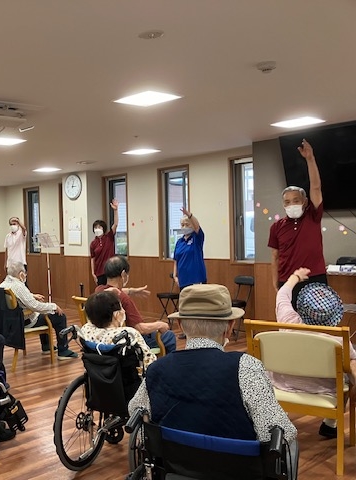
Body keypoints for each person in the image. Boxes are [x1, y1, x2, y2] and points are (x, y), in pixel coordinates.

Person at [128, 284, 297, 448]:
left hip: (172, 463)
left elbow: (136, 409)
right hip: (234, 463)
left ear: (180, 325)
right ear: (229, 327)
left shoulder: (156, 369)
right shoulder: (246, 367)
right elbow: (279, 434)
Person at [274, 267, 356, 439]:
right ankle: (330, 424)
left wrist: (295, 276)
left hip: (282, 387)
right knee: (348, 374)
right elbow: (352, 368)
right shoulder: (340, 341)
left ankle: (281, 416)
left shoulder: (287, 321)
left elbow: (282, 295)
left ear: (302, 307)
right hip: (325, 394)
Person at [268, 139, 326, 307]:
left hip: (314, 279)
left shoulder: (313, 216)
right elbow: (275, 257)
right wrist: (275, 283)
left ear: (305, 202)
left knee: (317, 321)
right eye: (287, 202)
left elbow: (315, 187)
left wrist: (310, 159)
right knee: (289, 320)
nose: (291, 204)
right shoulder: (276, 226)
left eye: (296, 200)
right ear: (283, 205)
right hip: (287, 281)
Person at [96, 255, 176, 353]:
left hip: (106, 339)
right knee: (169, 336)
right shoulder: (124, 300)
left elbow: (115, 291)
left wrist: (131, 291)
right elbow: (140, 329)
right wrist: (159, 324)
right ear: (123, 274)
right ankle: (167, 362)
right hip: (132, 341)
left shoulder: (99, 291)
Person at [0, 261, 78, 360]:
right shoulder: (19, 286)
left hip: (13, 322)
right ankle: (63, 350)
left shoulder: (3, 284)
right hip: (25, 321)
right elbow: (35, 306)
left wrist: (32, 295)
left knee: (43, 314)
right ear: (21, 274)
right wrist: (54, 306)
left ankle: (46, 346)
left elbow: (19, 297)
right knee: (59, 316)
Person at [81, 290, 157, 370]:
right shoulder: (128, 334)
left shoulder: (85, 330)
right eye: (122, 308)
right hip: (127, 375)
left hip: (98, 374)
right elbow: (149, 362)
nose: (124, 311)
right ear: (116, 314)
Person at [172, 206, 206, 290]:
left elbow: (197, 226)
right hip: (183, 280)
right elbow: (176, 260)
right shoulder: (179, 242)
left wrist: (189, 215)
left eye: (187, 224)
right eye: (182, 225)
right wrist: (175, 276)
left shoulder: (197, 238)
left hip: (196, 279)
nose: (184, 227)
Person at [90, 199, 119, 286]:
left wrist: (115, 210)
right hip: (99, 272)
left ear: (103, 228)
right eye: (95, 228)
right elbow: (92, 259)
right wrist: (93, 273)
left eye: (99, 227)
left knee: (112, 291)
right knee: (101, 291)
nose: (97, 229)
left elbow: (115, 224)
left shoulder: (109, 237)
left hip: (111, 270)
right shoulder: (93, 243)